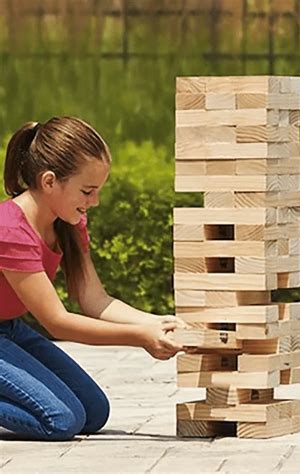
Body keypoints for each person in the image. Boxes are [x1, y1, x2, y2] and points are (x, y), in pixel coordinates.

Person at [0, 116, 186, 441]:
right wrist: (141, 338)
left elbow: (93, 299)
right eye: (87, 191)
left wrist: (156, 323)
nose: (95, 202)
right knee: (60, 421)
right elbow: (56, 322)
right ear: (48, 181)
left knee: (94, 411)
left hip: (10, 329)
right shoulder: (10, 230)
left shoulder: (67, 222)